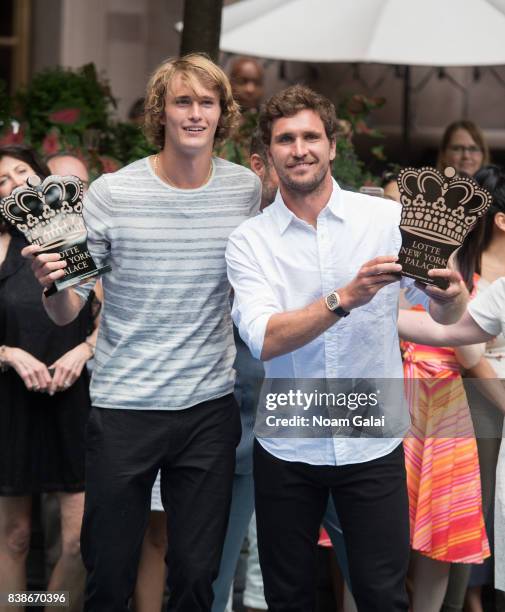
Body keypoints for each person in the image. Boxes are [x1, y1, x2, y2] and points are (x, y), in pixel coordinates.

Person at [22, 54, 260, 612]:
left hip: (208, 406)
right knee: (108, 574)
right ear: (161, 111)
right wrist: (53, 286)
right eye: (183, 101)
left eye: (207, 102)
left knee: (198, 577)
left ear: (222, 113)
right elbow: (69, 309)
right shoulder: (112, 193)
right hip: (125, 407)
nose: (196, 114)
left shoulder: (244, 191)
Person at [225, 84, 467, 611]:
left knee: (382, 596)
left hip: (371, 442)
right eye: (285, 139)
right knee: (289, 597)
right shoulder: (250, 240)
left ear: (332, 145)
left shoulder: (381, 220)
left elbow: (444, 312)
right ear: (267, 155)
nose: (300, 148)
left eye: (311, 135)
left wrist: (452, 294)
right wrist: (344, 298)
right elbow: (263, 337)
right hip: (289, 442)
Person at [0, 145, 100, 610]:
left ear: (43, 181)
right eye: (1, 180)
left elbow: (105, 315)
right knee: (16, 536)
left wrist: (84, 350)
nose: (14, 181)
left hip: (73, 399)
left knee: (78, 541)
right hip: (11, 403)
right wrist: (10, 353)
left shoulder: (68, 237)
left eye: (22, 171)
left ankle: (53, 605)